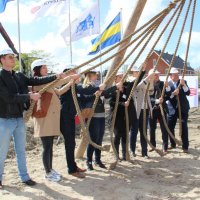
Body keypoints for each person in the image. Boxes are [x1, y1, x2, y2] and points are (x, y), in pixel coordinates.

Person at [0, 49, 61, 189]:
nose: (13, 59)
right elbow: (7, 97)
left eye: (14, 57)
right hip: (5, 120)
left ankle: (25, 177)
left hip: (19, 119)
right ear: (2, 59)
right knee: (2, 152)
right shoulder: (0, 76)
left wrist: (55, 76)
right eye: (10, 57)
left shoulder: (19, 76)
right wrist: (28, 96)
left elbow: (36, 79)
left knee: (21, 150)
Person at [31, 60, 80, 182]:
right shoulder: (38, 82)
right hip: (44, 119)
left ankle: (50, 169)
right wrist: (70, 77)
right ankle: (47, 172)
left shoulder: (46, 83)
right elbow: (57, 81)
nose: (46, 70)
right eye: (43, 68)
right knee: (46, 147)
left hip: (49, 119)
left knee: (49, 146)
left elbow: (59, 91)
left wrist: (70, 82)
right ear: (37, 70)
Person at [60, 68, 106, 178]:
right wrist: (98, 88)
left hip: (71, 117)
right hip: (64, 117)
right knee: (69, 144)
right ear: (68, 74)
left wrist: (97, 90)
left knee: (71, 144)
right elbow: (85, 91)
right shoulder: (65, 85)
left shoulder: (74, 86)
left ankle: (73, 166)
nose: (77, 74)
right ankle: (71, 169)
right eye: (74, 72)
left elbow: (84, 91)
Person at [82, 69, 123, 170]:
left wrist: (115, 89)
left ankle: (98, 160)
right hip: (93, 116)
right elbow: (98, 93)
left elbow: (105, 94)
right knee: (93, 139)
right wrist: (114, 87)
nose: (96, 76)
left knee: (99, 139)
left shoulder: (97, 86)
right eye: (94, 75)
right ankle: (89, 161)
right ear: (89, 76)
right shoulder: (88, 87)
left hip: (101, 115)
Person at [127, 66, 154, 158]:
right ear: (133, 72)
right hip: (136, 110)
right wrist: (148, 78)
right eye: (136, 71)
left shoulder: (143, 80)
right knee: (134, 131)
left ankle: (144, 152)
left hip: (145, 109)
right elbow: (138, 86)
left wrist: (150, 81)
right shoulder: (131, 81)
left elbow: (150, 91)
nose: (138, 73)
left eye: (139, 71)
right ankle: (132, 150)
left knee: (144, 132)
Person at [166, 67, 190, 153]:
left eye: (177, 74)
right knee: (170, 126)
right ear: (170, 76)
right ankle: (173, 144)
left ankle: (185, 146)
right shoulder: (167, 84)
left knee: (184, 126)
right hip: (172, 109)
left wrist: (184, 85)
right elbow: (167, 96)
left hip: (183, 108)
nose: (176, 76)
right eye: (174, 75)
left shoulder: (182, 82)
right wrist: (173, 93)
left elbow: (188, 92)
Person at [148, 69, 171, 154]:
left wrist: (167, 87)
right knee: (151, 129)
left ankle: (165, 147)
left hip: (162, 109)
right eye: (155, 74)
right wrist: (157, 100)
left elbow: (169, 95)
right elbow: (148, 98)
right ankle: (152, 145)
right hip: (152, 109)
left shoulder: (162, 84)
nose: (157, 76)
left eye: (157, 74)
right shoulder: (148, 85)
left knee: (164, 128)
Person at [108, 71, 127, 160]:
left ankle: (124, 155)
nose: (121, 78)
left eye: (122, 77)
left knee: (125, 136)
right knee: (117, 136)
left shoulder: (125, 89)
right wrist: (122, 103)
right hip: (115, 116)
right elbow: (111, 102)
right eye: (119, 77)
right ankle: (117, 155)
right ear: (116, 79)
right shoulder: (113, 89)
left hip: (124, 116)